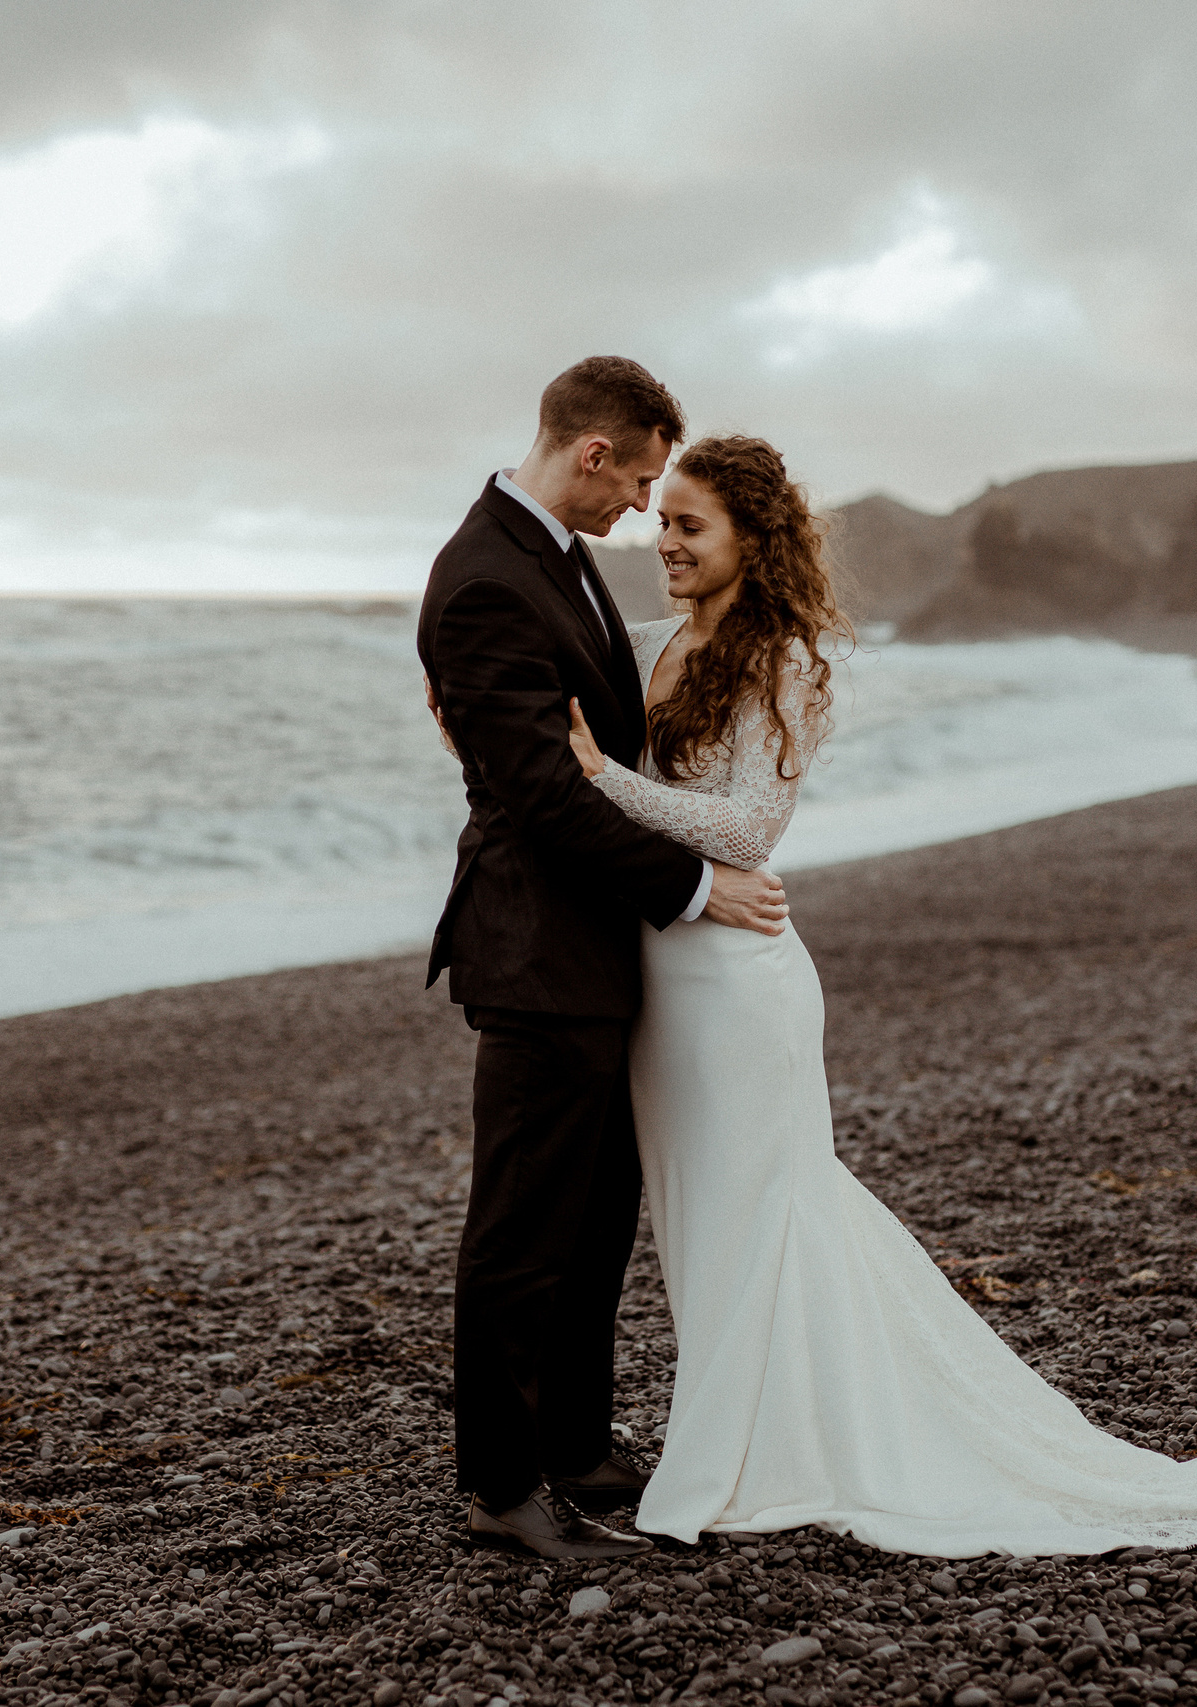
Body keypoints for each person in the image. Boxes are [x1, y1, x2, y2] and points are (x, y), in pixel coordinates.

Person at [564, 433, 1197, 1556]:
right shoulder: (648, 647)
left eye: (690, 524)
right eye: (663, 521)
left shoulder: (782, 657)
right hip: (666, 983)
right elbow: (545, 716)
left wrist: (605, 780)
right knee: (706, 1222)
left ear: (751, 537)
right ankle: (750, 1438)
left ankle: (754, 1457)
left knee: (762, 1211)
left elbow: (751, 828)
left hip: (740, 986)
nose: (666, 542)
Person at [415, 358, 789, 1561]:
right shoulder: (482, 580)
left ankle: (578, 1444)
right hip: (534, 950)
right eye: (636, 479)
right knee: (523, 1231)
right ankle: (501, 1486)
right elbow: (539, 794)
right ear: (591, 452)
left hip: (603, 947)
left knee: (595, 1220)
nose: (641, 509)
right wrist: (696, 888)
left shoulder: (561, 561)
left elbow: (602, 744)